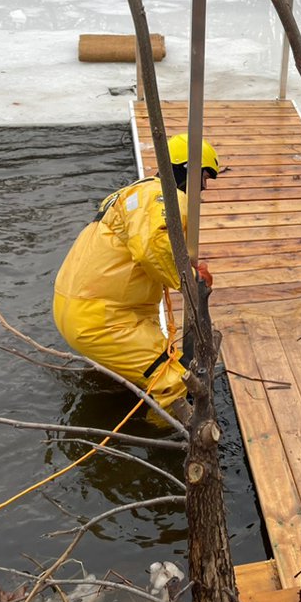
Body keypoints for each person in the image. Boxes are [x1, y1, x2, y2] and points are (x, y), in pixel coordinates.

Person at [53, 134, 218, 411]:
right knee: (175, 383)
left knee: (146, 369)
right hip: (103, 320)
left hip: (78, 307)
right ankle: (164, 433)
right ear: (188, 169)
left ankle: (119, 402)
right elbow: (154, 246)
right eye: (204, 177)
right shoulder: (165, 197)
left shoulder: (133, 193)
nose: (203, 188)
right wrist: (191, 282)